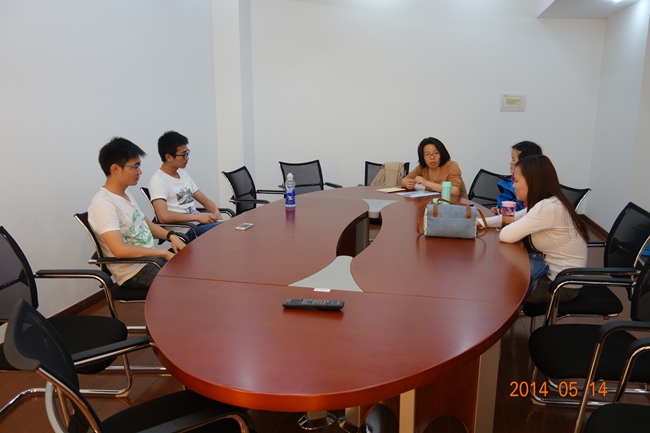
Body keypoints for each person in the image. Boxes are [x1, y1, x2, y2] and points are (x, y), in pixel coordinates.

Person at [484, 155, 588, 304]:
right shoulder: (550, 202)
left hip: (559, 286)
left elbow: (506, 235)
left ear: (532, 182)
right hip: (549, 273)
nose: (513, 186)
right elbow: (511, 218)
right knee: (496, 272)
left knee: (494, 282)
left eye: (517, 181)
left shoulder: (548, 207)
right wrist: (477, 222)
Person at [88, 137, 186, 291]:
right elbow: (120, 250)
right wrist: (163, 253)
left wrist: (171, 236)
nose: (140, 172)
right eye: (135, 167)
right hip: (133, 271)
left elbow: (147, 224)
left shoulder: (125, 194)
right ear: (115, 169)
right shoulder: (104, 204)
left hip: (149, 261)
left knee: (194, 270)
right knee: (187, 283)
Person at [148, 131, 223, 239]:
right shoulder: (158, 181)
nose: (187, 158)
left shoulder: (183, 175)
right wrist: (197, 217)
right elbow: (163, 216)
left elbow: (205, 201)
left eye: (187, 153)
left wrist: (215, 211)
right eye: (183, 155)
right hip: (186, 230)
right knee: (228, 230)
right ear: (168, 157)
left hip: (198, 225)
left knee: (234, 227)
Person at [401, 137, 468, 198]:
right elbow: (404, 180)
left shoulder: (452, 165)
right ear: (423, 157)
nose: (432, 157)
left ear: (442, 153)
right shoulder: (423, 167)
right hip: (435, 203)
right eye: (427, 154)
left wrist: (426, 183)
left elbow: (455, 191)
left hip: (457, 205)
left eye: (436, 153)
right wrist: (407, 183)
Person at [491, 141, 543, 213]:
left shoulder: (542, 198)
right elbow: (505, 205)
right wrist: (500, 210)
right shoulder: (508, 183)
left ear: (526, 163)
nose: (510, 162)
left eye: (513, 159)